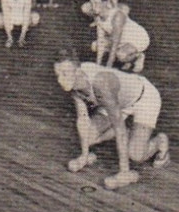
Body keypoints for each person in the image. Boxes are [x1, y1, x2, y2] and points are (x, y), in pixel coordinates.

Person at [56, 54, 171, 191]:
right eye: (58, 74)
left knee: (136, 155)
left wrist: (124, 173)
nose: (60, 80)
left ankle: (160, 141)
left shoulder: (101, 84)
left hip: (143, 98)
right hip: (115, 102)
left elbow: (119, 128)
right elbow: (83, 118)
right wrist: (84, 155)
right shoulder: (74, 83)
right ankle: (132, 135)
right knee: (89, 136)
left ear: (77, 71)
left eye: (64, 74)